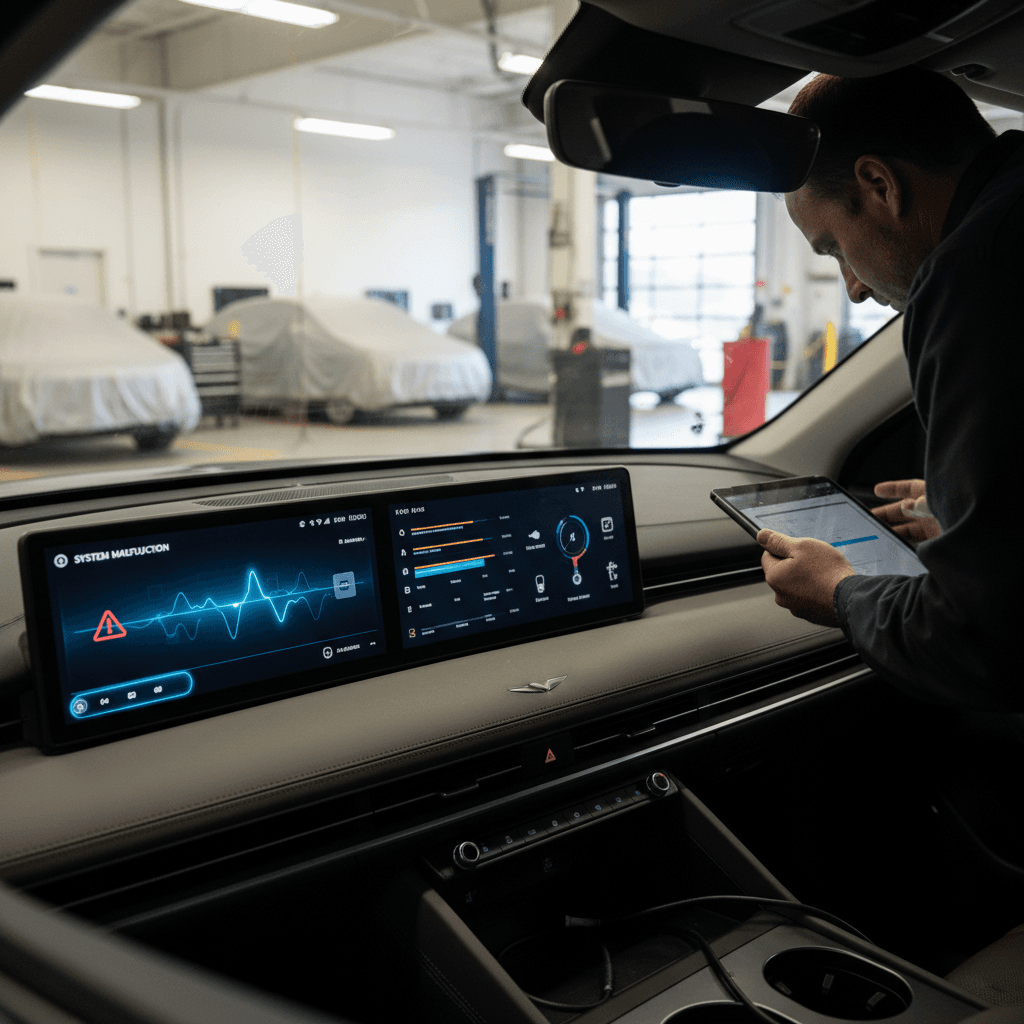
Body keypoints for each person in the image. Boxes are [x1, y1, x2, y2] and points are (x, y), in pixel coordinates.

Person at [755, 67, 1022, 709]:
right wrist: (974, 510)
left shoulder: (973, 273)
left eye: (833, 249)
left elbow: (981, 640)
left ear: (879, 185)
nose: (853, 286)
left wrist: (841, 592)